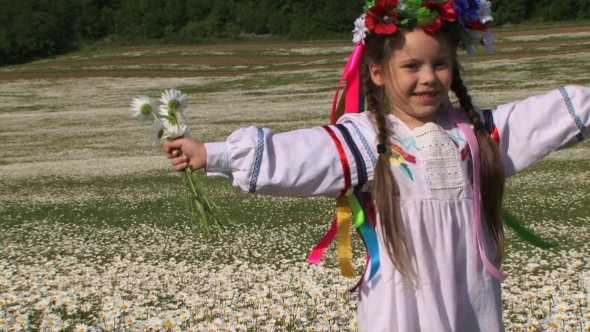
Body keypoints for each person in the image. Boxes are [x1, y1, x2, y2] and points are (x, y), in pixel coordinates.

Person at [164, 0, 590, 330]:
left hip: (470, 297)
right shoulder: (367, 139)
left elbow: (545, 116)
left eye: (440, 64)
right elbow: (302, 155)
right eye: (411, 66)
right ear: (378, 73)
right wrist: (213, 154)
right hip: (402, 299)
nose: (428, 77)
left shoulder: (477, 135)